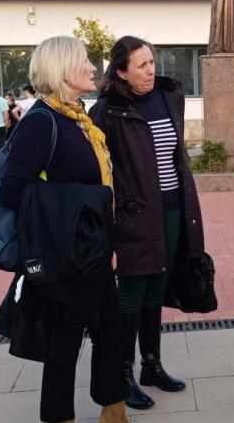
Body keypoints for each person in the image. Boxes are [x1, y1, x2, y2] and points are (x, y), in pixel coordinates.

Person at [0, 35, 128, 423]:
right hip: (63, 255)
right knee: (62, 348)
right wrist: (77, 211)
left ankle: (114, 412)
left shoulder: (80, 119)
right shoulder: (41, 121)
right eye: (84, 61)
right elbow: (12, 190)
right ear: (64, 70)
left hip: (94, 251)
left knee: (109, 334)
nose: (91, 68)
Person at [89, 36, 205, 410]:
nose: (151, 70)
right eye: (141, 65)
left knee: (157, 287)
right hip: (133, 215)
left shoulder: (168, 96)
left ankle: (150, 366)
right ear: (120, 71)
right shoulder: (107, 110)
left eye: (152, 62)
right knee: (131, 295)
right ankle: (122, 373)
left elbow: (174, 154)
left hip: (173, 210)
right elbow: (99, 169)